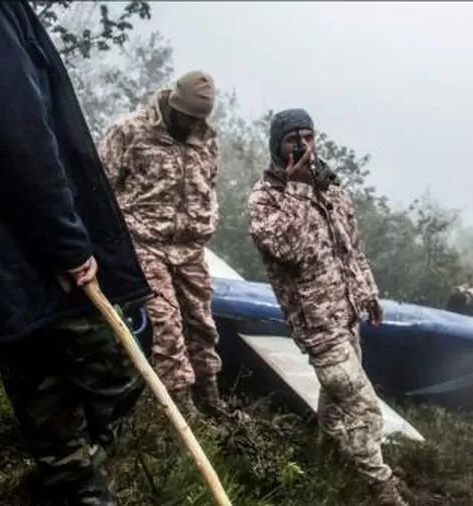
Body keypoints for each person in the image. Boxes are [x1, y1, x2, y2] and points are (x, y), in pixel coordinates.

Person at [0, 2, 153, 504]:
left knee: (36, 364)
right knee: (108, 371)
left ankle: (62, 478)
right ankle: (68, 480)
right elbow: (12, 126)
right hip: (18, 242)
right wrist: (64, 242)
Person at [247, 108, 408, 505]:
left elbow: (351, 247)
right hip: (317, 324)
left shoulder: (331, 188)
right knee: (364, 408)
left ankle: (323, 467)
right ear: (276, 145)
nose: (302, 146)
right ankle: (382, 488)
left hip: (347, 314)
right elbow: (290, 249)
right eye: (292, 139)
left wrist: (367, 293)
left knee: (337, 404)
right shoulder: (265, 199)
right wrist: (298, 188)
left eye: (308, 136)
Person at [98, 71, 239, 420]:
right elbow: (98, 186)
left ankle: (210, 400)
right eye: (189, 116)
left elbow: (209, 182)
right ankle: (179, 410)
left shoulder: (207, 138)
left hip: (190, 249)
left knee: (202, 326)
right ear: (174, 105)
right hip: (144, 242)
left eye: (200, 118)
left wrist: (207, 219)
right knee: (166, 324)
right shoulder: (130, 131)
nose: (193, 124)